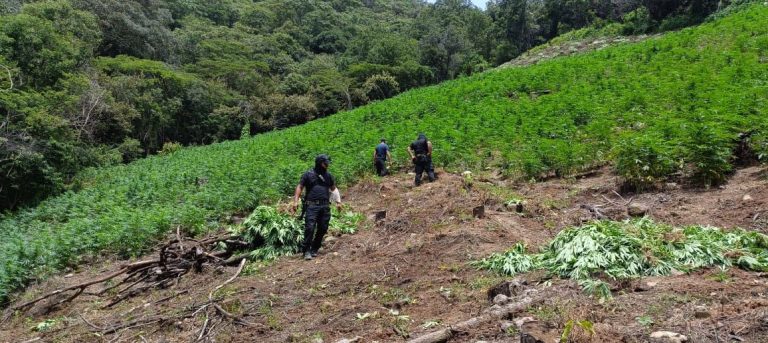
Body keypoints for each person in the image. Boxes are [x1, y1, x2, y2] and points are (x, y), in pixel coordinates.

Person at [292, 154, 340, 260]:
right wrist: (295, 201)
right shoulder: (308, 174)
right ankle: (306, 251)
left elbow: (333, 189)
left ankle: (314, 248)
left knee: (323, 228)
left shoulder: (328, 176)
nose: (327, 165)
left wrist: (338, 202)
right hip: (311, 206)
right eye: (325, 163)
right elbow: (300, 186)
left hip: (325, 206)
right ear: (319, 163)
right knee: (310, 228)